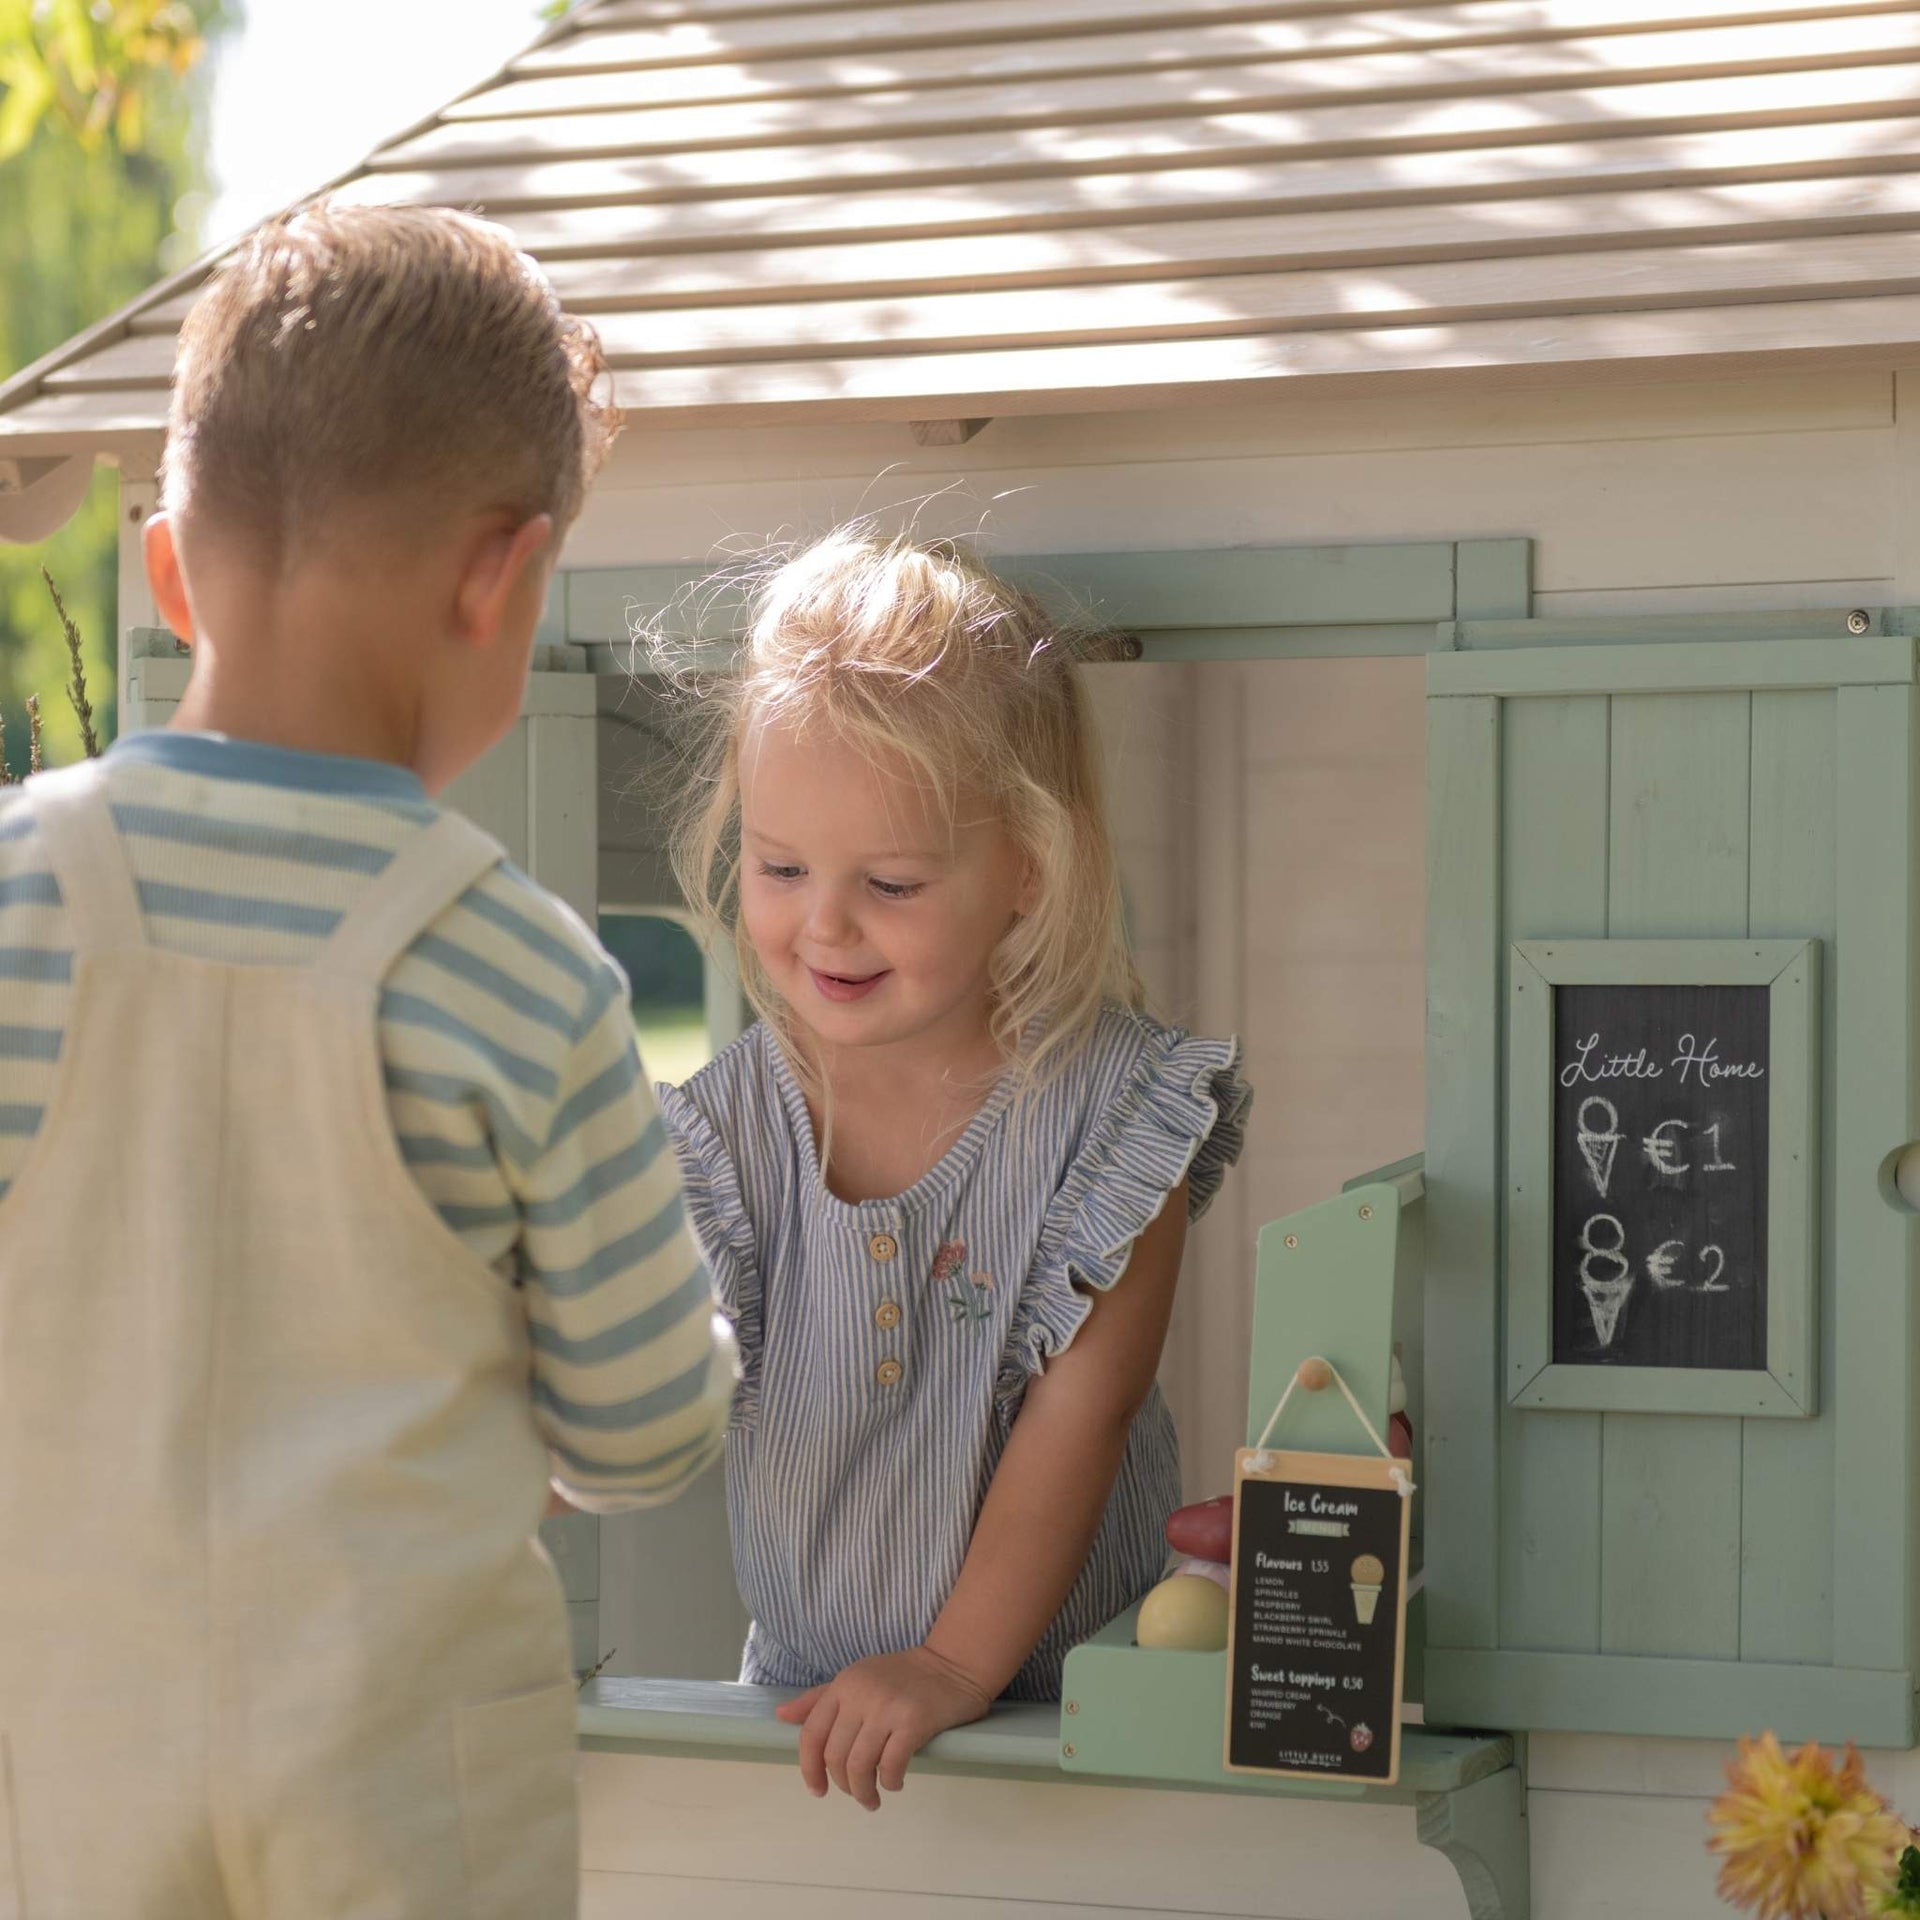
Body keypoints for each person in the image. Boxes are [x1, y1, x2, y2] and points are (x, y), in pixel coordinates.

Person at [0, 202, 735, 1919]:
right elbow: (643, 1430)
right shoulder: (524, 975)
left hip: (61, 1742)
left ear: (170, 567)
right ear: (504, 576)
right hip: (403, 1778)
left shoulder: (18, 898)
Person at [653, 530, 1251, 1812]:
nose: (824, 923)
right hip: (807, 1721)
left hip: (1074, 1724)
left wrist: (945, 1663)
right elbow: (650, 1367)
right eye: (779, 867)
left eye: (894, 881)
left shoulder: (1116, 1115)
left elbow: (1079, 1418)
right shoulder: (720, 1134)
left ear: (1026, 866)